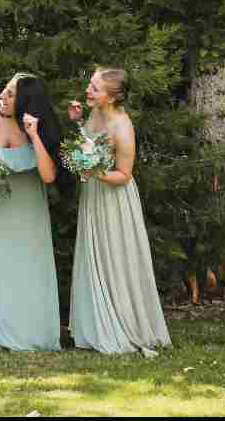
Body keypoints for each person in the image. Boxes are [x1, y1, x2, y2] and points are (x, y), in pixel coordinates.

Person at [67, 68, 171, 354]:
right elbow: (88, 144)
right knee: (94, 253)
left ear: (111, 98)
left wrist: (94, 171)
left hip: (114, 198)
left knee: (114, 255)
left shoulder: (123, 127)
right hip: (94, 194)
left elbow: (124, 174)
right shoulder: (95, 114)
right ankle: (94, 327)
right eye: (90, 85)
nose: (88, 91)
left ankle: (124, 324)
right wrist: (78, 124)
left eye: (95, 88)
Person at [0, 73, 61, 351]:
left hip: (28, 207)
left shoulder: (35, 123)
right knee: (1, 269)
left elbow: (48, 176)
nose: (4, 96)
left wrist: (33, 134)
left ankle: (39, 334)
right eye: (6, 89)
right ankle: (5, 336)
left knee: (32, 269)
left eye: (11, 94)